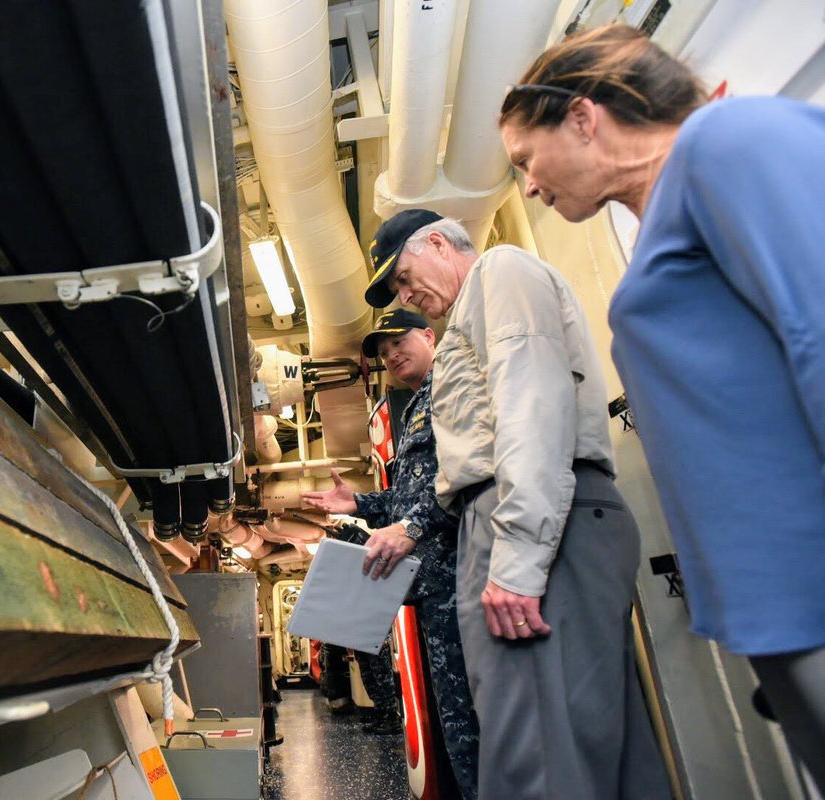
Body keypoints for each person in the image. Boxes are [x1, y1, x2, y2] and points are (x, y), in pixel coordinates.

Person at [499, 24, 825, 787]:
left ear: (583, 118)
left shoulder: (728, 142)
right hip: (778, 597)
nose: (531, 186)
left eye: (525, 160)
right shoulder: (666, 216)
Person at [365, 210, 669, 799]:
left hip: (529, 519)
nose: (406, 297)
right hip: (513, 516)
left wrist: (518, 563)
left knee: (536, 751)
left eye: (403, 278)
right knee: (584, 746)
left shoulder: (498, 273)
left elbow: (532, 409)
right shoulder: (468, 316)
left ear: (437, 243)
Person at [304, 302, 479, 800]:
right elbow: (411, 497)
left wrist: (413, 526)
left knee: (470, 721)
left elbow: (465, 475)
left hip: (460, 583)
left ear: (429, 336)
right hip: (432, 589)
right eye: (384, 352)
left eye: (399, 341)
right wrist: (358, 503)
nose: (392, 355)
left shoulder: (450, 385)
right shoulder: (416, 404)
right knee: (452, 720)